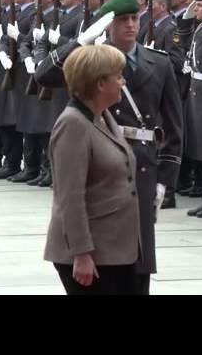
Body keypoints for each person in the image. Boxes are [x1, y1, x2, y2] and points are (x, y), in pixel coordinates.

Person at [44, 44, 140, 295]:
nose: (123, 82)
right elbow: (70, 197)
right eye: (118, 77)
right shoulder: (73, 124)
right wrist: (81, 253)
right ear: (99, 84)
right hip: (92, 255)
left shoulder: (102, 115)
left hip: (115, 249)